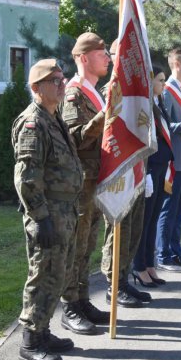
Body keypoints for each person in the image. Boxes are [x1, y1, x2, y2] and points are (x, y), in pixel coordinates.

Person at [12, 59, 83, 360]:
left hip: (65, 210)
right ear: (36, 88)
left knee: (59, 275)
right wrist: (41, 218)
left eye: (62, 78)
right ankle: (30, 341)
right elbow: (26, 177)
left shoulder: (54, 118)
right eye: (54, 80)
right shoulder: (33, 122)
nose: (61, 83)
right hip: (49, 213)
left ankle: (44, 332)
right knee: (43, 276)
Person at [59, 32, 111, 335]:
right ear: (83, 58)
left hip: (95, 180)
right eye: (100, 52)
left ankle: (81, 300)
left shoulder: (94, 91)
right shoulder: (74, 93)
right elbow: (72, 139)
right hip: (79, 182)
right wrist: (103, 117)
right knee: (75, 246)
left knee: (88, 243)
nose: (106, 57)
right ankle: (69, 306)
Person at [101, 40, 151, 308]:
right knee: (117, 233)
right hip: (117, 173)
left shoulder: (135, 90)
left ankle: (123, 279)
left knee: (132, 232)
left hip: (136, 170)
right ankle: (113, 286)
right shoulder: (109, 90)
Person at [156, 47, 181, 272]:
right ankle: (163, 254)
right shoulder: (167, 91)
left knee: (180, 209)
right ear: (177, 64)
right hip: (173, 160)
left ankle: (175, 251)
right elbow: (164, 126)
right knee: (168, 209)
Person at [131, 65, 172, 287]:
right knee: (144, 221)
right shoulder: (145, 106)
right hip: (149, 166)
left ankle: (149, 264)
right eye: (160, 80)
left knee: (153, 217)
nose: (163, 84)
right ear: (149, 81)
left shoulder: (159, 102)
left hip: (160, 165)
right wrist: (145, 172)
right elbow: (143, 138)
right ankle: (138, 266)